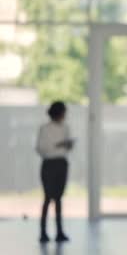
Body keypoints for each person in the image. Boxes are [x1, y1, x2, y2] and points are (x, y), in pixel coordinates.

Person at [36, 101, 74, 243]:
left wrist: (66, 145)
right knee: (47, 198)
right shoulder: (44, 129)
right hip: (49, 165)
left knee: (58, 198)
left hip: (61, 164)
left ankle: (59, 232)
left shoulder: (65, 128)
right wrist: (57, 145)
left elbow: (67, 148)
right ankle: (43, 232)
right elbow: (41, 148)